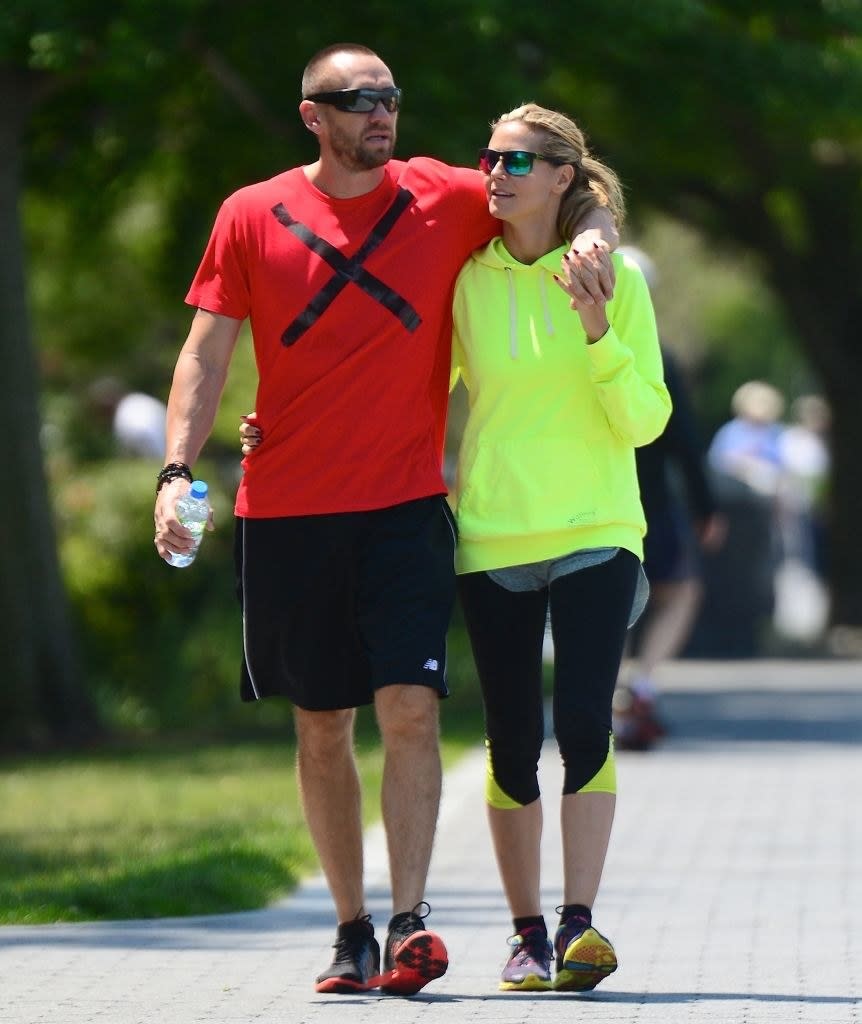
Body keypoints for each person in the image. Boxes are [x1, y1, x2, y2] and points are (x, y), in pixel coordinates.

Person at [154, 43, 616, 997]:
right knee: (321, 725)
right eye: (361, 100)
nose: (384, 115)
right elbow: (204, 353)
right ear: (312, 114)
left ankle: (410, 922)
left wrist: (597, 231)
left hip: (406, 505)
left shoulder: (443, 197)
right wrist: (175, 470)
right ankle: (350, 930)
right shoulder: (250, 212)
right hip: (285, 507)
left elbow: (569, 183)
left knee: (409, 709)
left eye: (392, 98)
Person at [450, 105, 671, 991]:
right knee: (509, 742)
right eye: (489, 157)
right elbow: (418, 394)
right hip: (494, 535)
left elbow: (644, 420)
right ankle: (525, 934)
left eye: (515, 160)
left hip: (597, 533)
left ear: (561, 180)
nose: (495, 172)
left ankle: (580, 925)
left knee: (583, 722)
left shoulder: (619, 283)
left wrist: (595, 329)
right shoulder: (465, 280)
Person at [610, 249, 725, 750]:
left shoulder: (569, 344)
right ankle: (643, 682)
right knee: (679, 590)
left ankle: (614, 695)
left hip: (594, 499)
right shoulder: (656, 352)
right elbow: (685, 440)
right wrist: (706, 509)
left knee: (610, 603)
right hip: (649, 502)